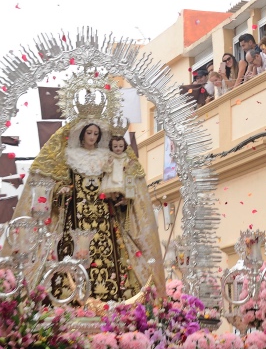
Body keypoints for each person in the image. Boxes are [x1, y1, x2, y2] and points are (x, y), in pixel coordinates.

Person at [10, 88, 165, 303]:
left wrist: (121, 197)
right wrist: (61, 191)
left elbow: (119, 180)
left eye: (96, 134)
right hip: (75, 220)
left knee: (112, 257)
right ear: (81, 133)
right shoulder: (69, 156)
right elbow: (57, 185)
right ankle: (69, 301)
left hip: (104, 220)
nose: (92, 137)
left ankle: (110, 303)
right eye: (89, 133)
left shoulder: (107, 157)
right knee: (69, 258)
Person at [100, 135, 138, 202]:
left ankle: (122, 199)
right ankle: (113, 198)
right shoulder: (110, 157)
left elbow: (130, 170)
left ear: (124, 147)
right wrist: (109, 163)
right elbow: (105, 169)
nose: (118, 148)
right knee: (111, 196)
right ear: (111, 147)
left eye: (121, 146)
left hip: (123, 180)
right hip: (111, 181)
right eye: (115, 146)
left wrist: (129, 165)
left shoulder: (126, 158)